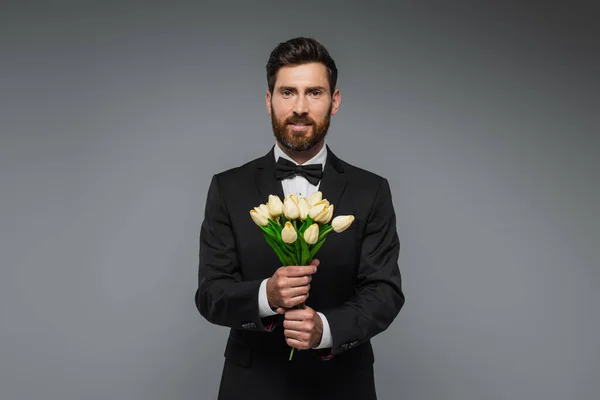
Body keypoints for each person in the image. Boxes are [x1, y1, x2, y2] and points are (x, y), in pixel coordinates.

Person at [195, 37, 405, 400]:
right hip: (251, 385)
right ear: (269, 100)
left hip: (343, 385)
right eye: (288, 92)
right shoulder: (228, 188)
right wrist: (267, 295)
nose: (300, 107)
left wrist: (325, 329)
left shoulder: (371, 191)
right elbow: (211, 293)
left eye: (315, 93)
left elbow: (384, 292)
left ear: (334, 101)